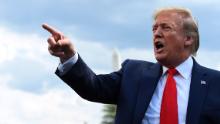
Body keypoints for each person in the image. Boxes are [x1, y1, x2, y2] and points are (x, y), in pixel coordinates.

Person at [42, 7, 220, 124]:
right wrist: (69, 57)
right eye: (154, 29)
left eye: (166, 28)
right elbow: (93, 87)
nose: (156, 33)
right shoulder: (133, 73)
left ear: (188, 39)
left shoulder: (215, 82)